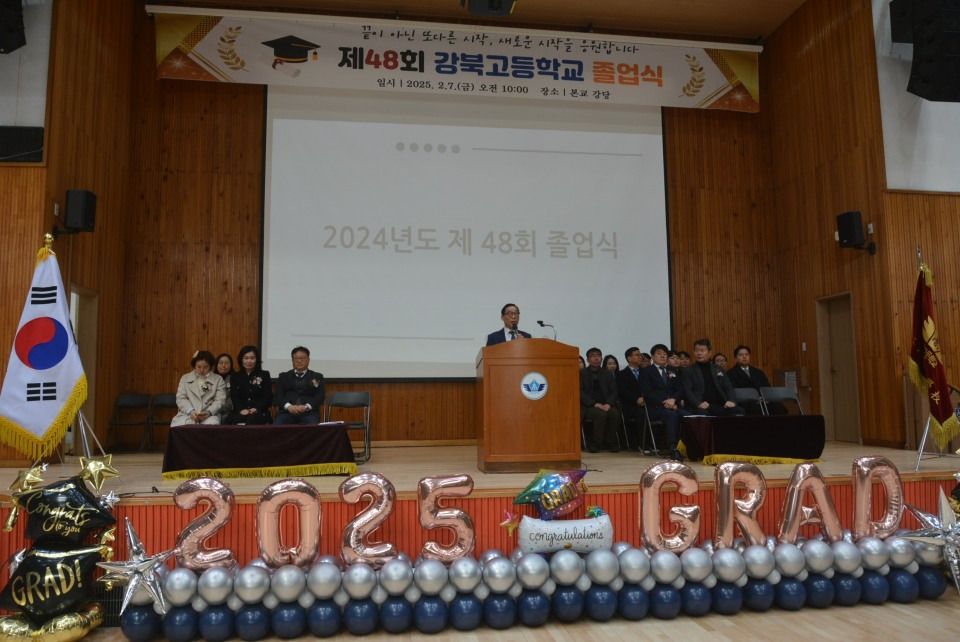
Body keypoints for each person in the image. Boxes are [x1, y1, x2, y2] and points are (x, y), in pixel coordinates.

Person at [639, 344, 691, 461]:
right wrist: (665, 403)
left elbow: (679, 390)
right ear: (653, 356)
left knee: (688, 416)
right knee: (672, 415)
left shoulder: (673, 370)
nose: (662, 356)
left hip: (674, 405)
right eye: (659, 354)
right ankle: (674, 448)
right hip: (655, 408)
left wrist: (673, 400)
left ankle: (689, 447)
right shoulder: (646, 372)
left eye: (665, 354)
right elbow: (648, 393)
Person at [681, 339, 745, 416]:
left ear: (709, 352)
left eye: (702, 350)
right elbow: (687, 391)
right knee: (703, 413)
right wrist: (698, 404)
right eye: (696, 350)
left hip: (720, 405)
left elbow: (728, 387)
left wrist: (731, 401)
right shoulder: (689, 370)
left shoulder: (718, 369)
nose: (699, 353)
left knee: (739, 411)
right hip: (701, 406)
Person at [580, 347, 623, 453]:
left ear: (602, 359)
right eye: (593, 356)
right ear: (587, 360)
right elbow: (580, 392)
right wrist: (594, 403)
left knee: (615, 413)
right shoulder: (581, 373)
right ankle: (596, 442)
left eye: (598, 356)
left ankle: (610, 441)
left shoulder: (607, 374)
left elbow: (614, 391)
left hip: (606, 404)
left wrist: (608, 403)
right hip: (588, 406)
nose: (596, 358)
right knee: (601, 414)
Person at [170, 351, 226, 426]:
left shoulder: (218, 379)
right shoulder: (185, 378)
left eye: (205, 367)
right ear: (194, 365)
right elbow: (181, 398)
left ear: (210, 366)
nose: (202, 370)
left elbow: (220, 400)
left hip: (209, 415)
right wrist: (190, 411)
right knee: (180, 425)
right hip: (187, 414)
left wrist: (209, 412)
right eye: (199, 367)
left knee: (212, 424)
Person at [727, 344, 787, 415]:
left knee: (778, 406)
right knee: (755, 408)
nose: (744, 357)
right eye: (741, 355)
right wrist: (754, 399)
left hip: (763, 400)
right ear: (735, 358)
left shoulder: (758, 372)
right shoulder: (731, 373)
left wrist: (766, 398)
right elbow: (734, 392)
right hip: (745, 402)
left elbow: (767, 387)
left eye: (747, 354)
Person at [274, 346, 324, 425]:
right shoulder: (284, 376)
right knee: (277, 427)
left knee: (313, 427)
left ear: (308, 360)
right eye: (296, 358)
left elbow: (320, 396)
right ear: (292, 360)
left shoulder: (316, 377)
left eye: (302, 358)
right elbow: (278, 395)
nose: (299, 361)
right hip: (287, 412)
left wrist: (306, 407)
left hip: (309, 413)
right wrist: (289, 407)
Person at [226, 345, 273, 424]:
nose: (249, 361)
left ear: (257, 360)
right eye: (246, 358)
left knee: (251, 420)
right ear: (241, 359)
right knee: (231, 421)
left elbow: (267, 396)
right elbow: (234, 397)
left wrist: (257, 409)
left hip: (259, 411)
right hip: (240, 410)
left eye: (252, 358)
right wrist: (241, 409)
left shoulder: (264, 374)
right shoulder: (235, 376)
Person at [615, 347, 645, 449]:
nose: (640, 357)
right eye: (637, 355)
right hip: (629, 405)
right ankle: (642, 443)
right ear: (629, 358)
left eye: (640, 355)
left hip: (647, 403)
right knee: (641, 414)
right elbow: (622, 391)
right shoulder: (621, 374)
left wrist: (645, 398)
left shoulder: (646, 372)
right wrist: (636, 399)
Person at [214, 352, 235, 423]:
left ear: (231, 365)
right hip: (213, 411)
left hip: (230, 411)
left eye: (226, 363)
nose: (223, 365)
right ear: (216, 364)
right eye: (221, 363)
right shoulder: (210, 378)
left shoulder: (235, 378)